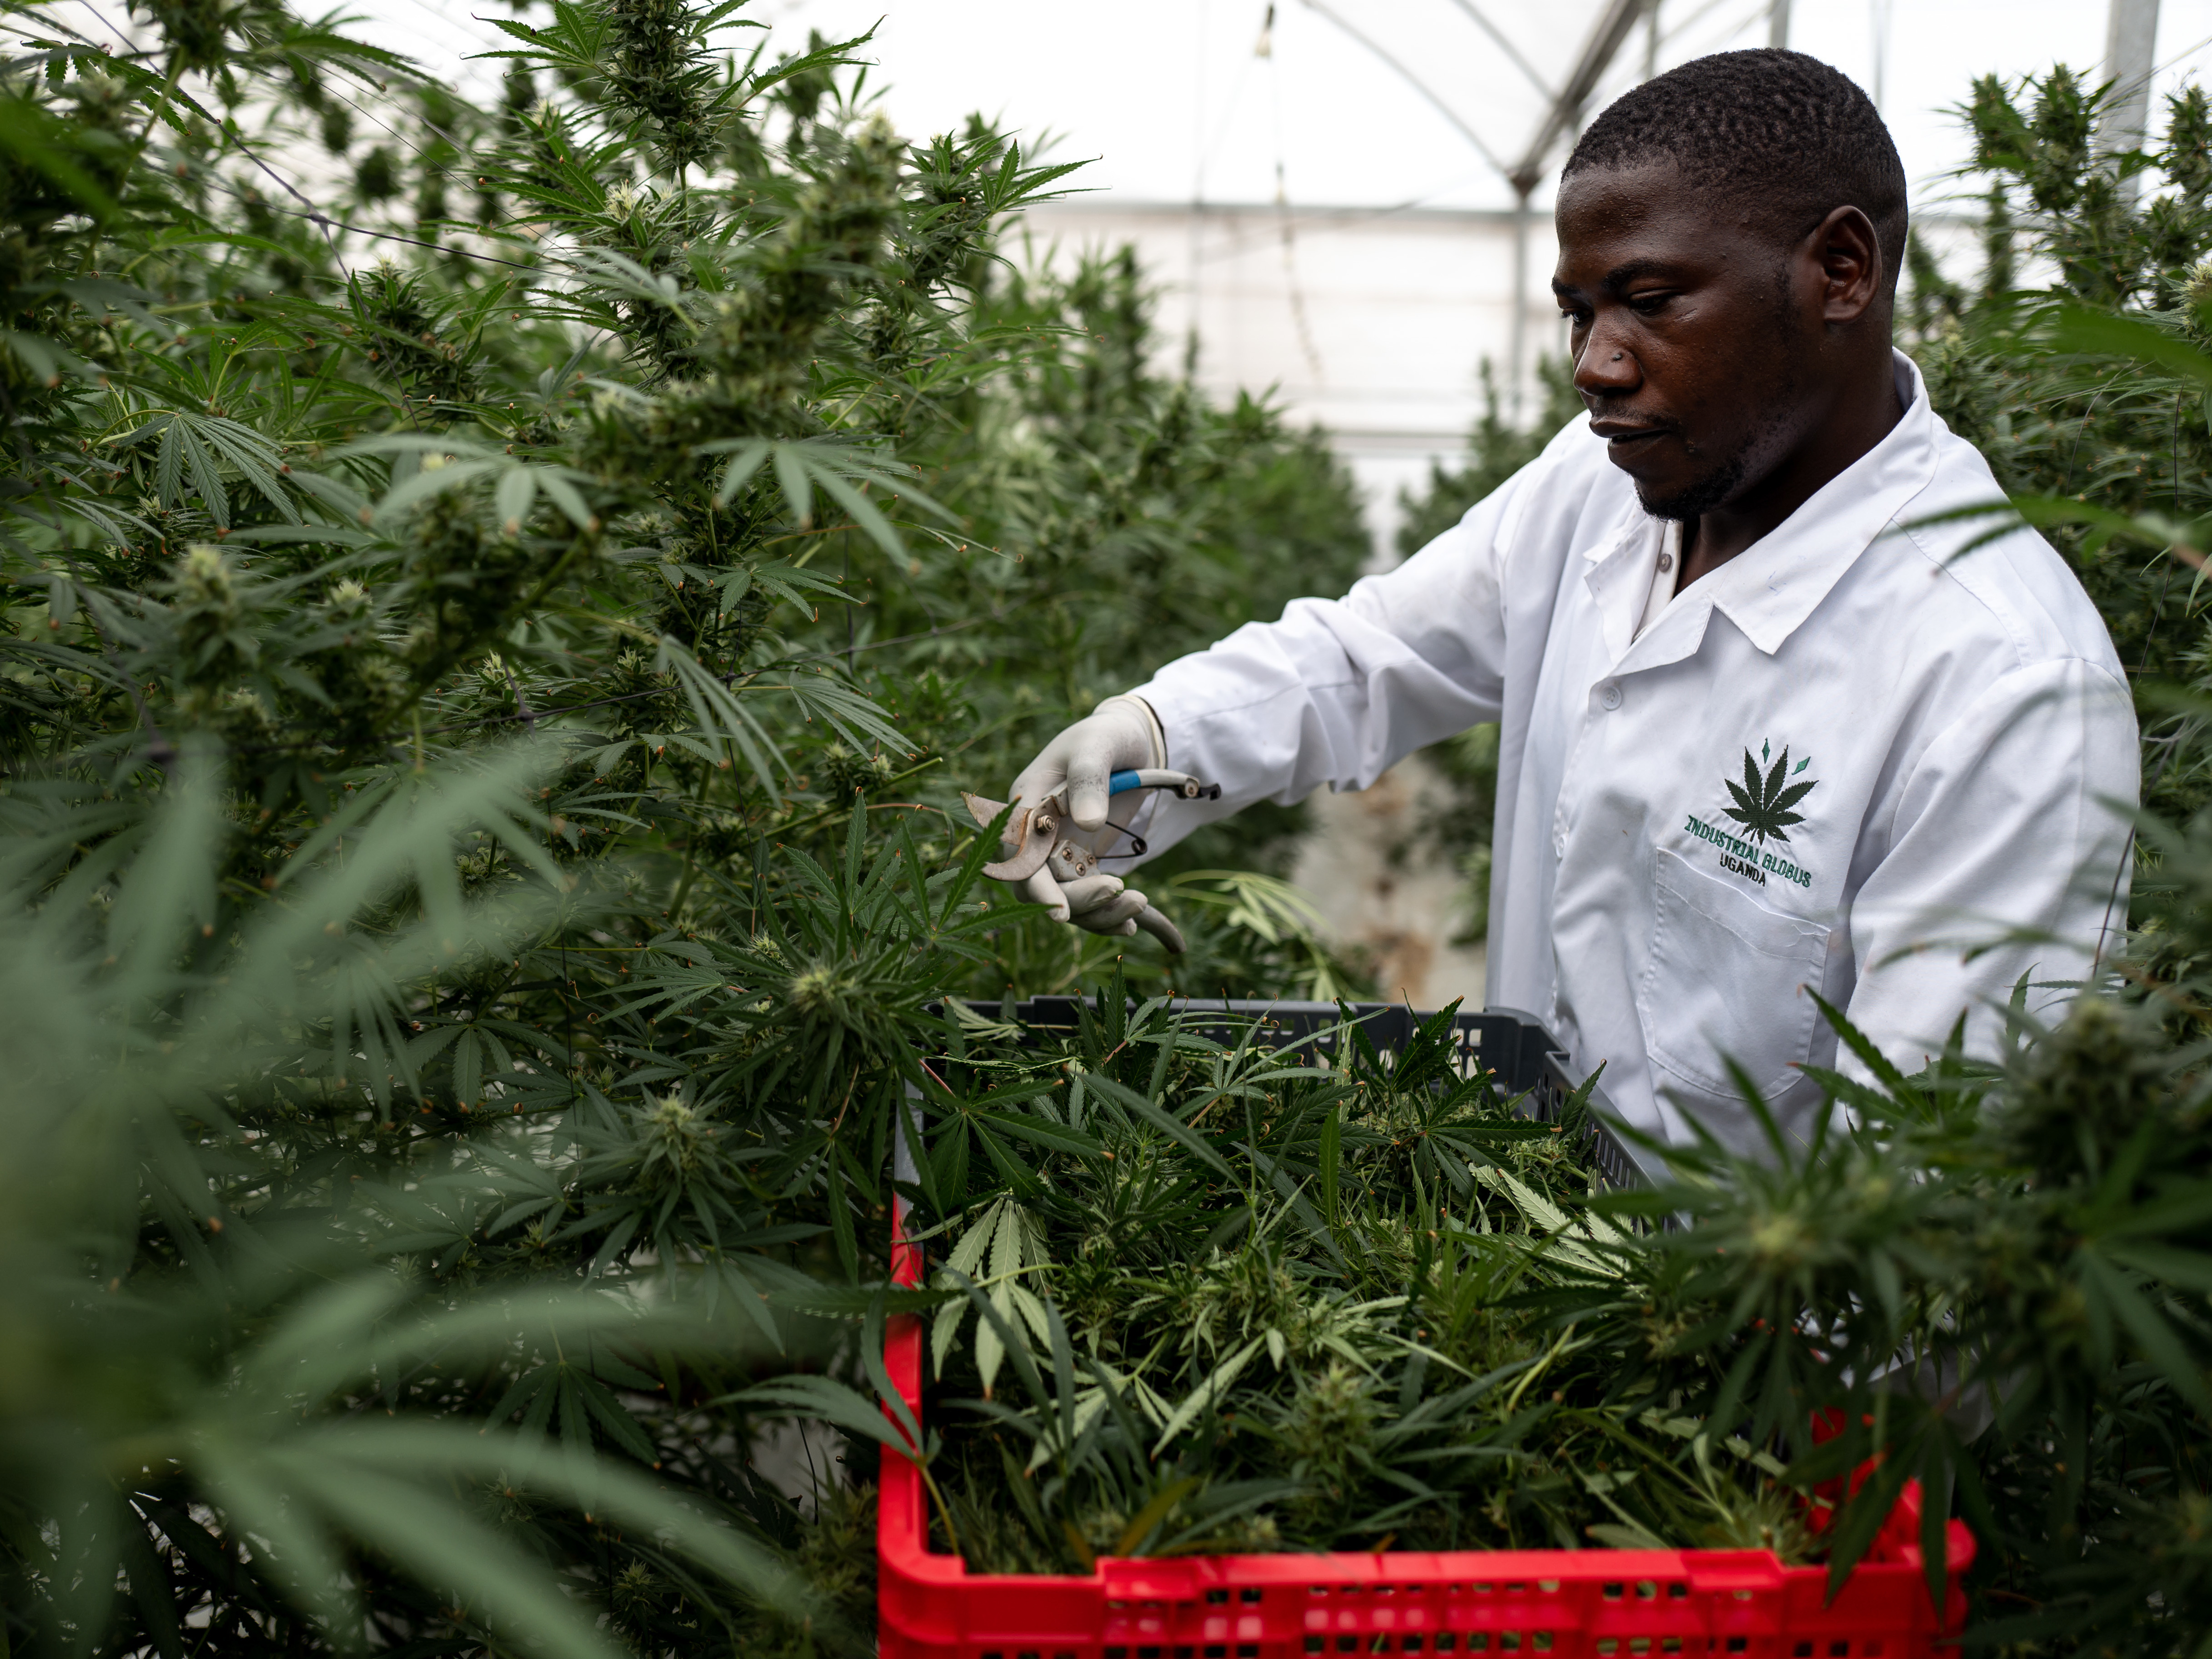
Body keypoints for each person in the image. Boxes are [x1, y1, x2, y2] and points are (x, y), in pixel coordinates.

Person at [998, 49, 2138, 1154]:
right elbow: (1372, 656)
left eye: (1648, 301)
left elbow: (1925, 1201)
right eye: (1578, 314)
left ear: (1840, 271)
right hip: (1510, 1268)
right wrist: (1149, 741)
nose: (1595, 364)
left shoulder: (2007, 687)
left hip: (1730, 1334)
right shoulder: (1601, 488)